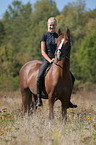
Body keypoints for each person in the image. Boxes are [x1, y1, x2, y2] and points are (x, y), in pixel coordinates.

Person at [36, 17, 77, 108]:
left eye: (53, 25)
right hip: (48, 60)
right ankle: (38, 98)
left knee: (72, 77)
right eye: (50, 25)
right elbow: (43, 52)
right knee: (39, 76)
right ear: (48, 25)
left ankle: (68, 100)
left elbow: (61, 48)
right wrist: (50, 60)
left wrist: (58, 58)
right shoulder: (44, 36)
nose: (52, 27)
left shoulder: (58, 36)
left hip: (57, 60)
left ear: (55, 26)